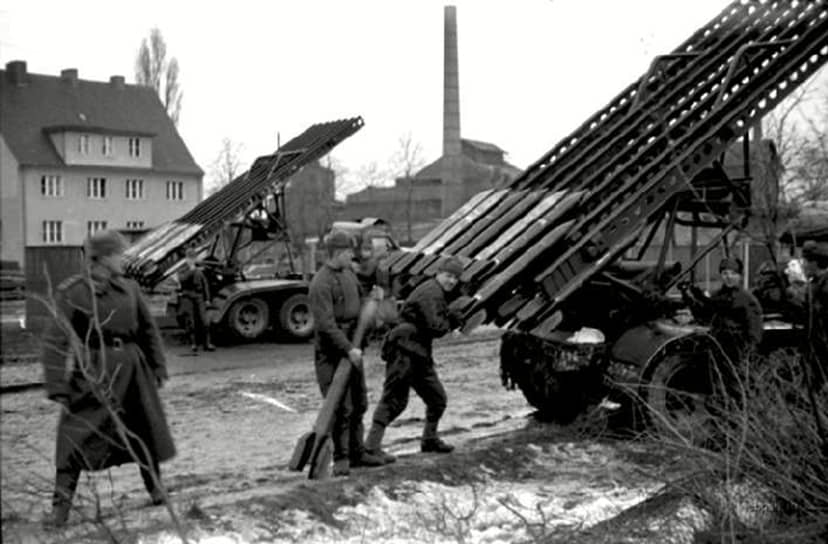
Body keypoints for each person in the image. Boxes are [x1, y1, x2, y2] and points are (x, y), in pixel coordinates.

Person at [40, 230, 176, 527]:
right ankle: (60, 508)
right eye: (118, 254)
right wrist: (57, 385)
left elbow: (149, 331)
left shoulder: (130, 289)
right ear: (101, 259)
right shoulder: (73, 292)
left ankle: (156, 489)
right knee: (73, 437)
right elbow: (55, 340)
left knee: (144, 429)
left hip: (133, 370)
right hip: (93, 372)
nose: (123, 259)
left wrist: (157, 367)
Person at [364, 256, 465, 460]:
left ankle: (429, 440)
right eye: (448, 275)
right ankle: (370, 448)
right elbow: (436, 327)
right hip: (404, 350)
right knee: (394, 400)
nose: (451, 281)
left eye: (455, 278)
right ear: (438, 273)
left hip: (418, 352)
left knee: (437, 399)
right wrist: (453, 319)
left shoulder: (436, 292)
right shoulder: (431, 293)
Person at [308, 231, 385, 477]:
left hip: (353, 345)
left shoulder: (348, 274)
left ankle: (357, 452)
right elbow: (325, 325)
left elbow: (360, 305)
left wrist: (373, 302)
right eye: (348, 252)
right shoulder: (320, 283)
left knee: (359, 402)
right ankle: (341, 459)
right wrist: (348, 348)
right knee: (341, 407)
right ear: (338, 252)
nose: (352, 255)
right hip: (332, 353)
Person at [680, 257, 763, 363]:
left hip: (738, 352)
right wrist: (687, 297)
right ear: (721, 275)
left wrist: (749, 352)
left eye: (733, 273)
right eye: (725, 273)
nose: (729, 277)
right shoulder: (717, 296)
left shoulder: (747, 299)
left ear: (740, 276)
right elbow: (703, 315)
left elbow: (755, 329)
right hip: (717, 349)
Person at [796, 240, 828, 389]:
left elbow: (816, 313)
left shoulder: (824, 285)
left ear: (815, 262)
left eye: (805, 262)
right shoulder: (814, 283)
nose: (802, 266)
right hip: (814, 347)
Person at [178, 248, 215, 353]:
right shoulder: (183, 269)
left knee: (204, 320)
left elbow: (205, 285)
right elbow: (182, 279)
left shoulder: (199, 270)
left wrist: (207, 299)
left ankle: (207, 343)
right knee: (191, 321)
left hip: (199, 296)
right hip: (188, 296)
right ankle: (193, 344)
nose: (191, 260)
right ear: (186, 259)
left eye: (193, 258)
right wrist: (191, 270)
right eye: (190, 258)